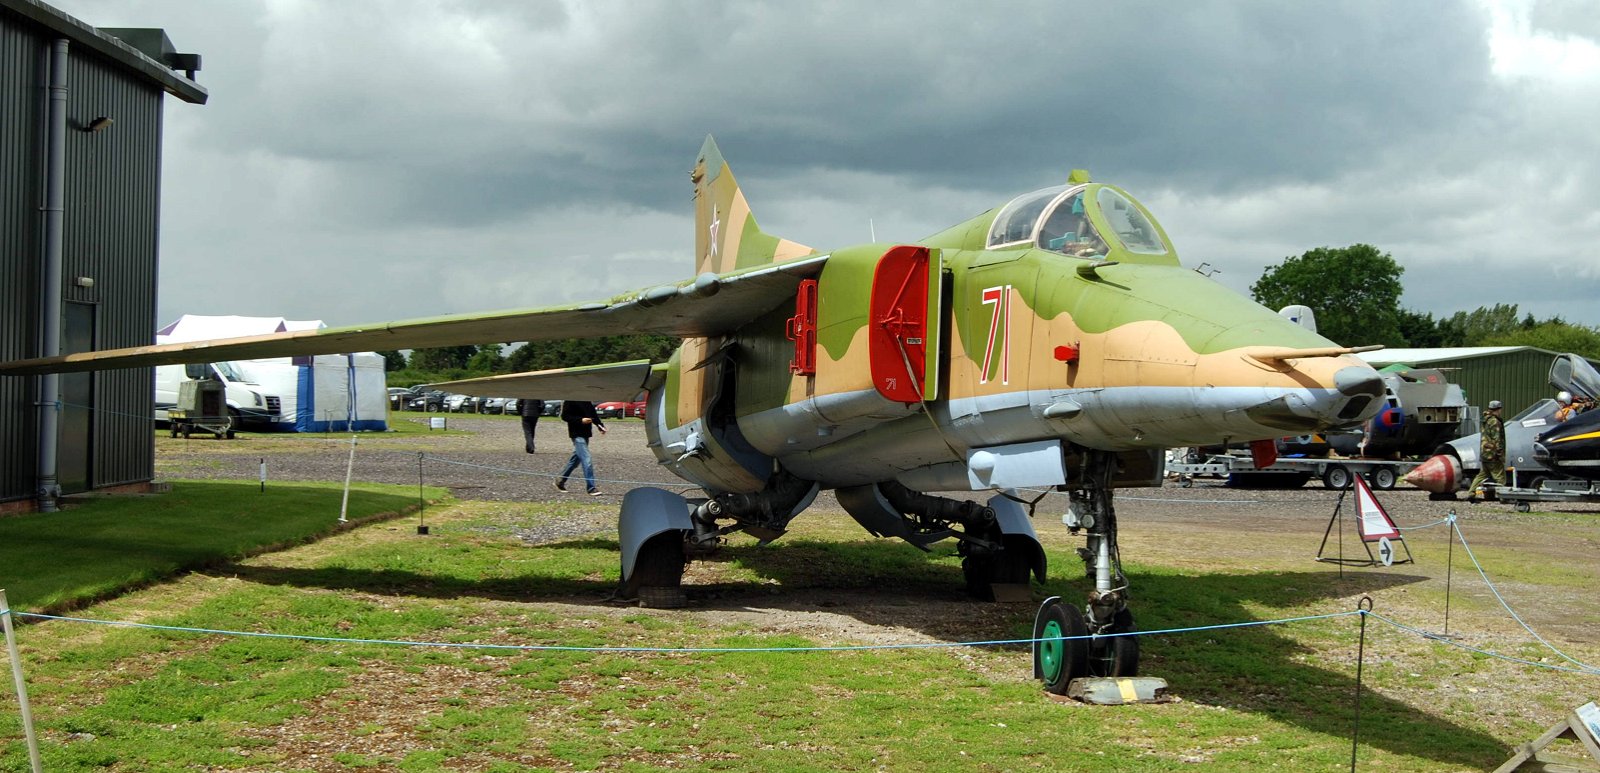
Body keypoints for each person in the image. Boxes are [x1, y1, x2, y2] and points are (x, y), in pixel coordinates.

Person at [555, 399, 606, 496]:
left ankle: (560, 480)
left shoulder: (586, 399)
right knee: (587, 459)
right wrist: (580, 420)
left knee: (575, 460)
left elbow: (593, 414)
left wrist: (600, 426)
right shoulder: (570, 400)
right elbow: (565, 416)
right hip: (576, 434)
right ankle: (591, 487)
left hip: (586, 433)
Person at [1466, 400, 1505, 502]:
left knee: (1482, 474)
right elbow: (1497, 439)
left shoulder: (1486, 419)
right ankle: (1504, 496)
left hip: (1485, 452)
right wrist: (1499, 452)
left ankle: (1471, 492)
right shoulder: (1495, 421)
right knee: (1500, 476)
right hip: (1493, 453)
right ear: (1498, 409)